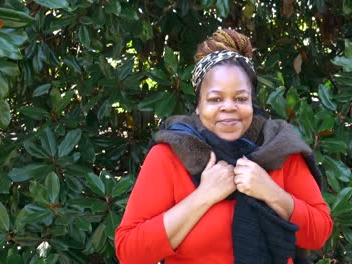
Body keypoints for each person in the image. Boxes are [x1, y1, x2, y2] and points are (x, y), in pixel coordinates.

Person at [115, 29, 333, 264]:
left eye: (240, 98)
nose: (228, 107)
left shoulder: (278, 149)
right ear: (198, 105)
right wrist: (204, 196)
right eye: (215, 99)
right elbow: (130, 251)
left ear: (252, 102)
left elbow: (319, 234)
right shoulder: (171, 154)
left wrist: (270, 192)